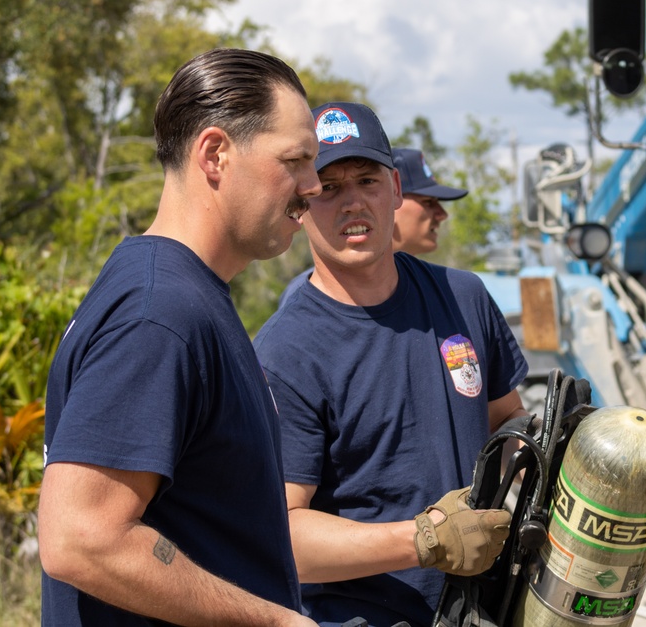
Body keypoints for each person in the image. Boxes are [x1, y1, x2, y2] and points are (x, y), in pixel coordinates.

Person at [38, 48, 322, 627]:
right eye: (294, 160)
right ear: (215, 154)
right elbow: (81, 537)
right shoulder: (159, 314)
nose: (313, 186)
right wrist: (279, 622)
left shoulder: (181, 297)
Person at [253, 101, 528, 627]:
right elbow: (278, 535)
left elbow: (506, 424)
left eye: (367, 180)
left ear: (396, 190)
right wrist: (423, 540)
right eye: (328, 188)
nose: (353, 202)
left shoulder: (463, 296)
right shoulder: (285, 351)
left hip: (484, 611)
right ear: (300, 204)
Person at [279, 146, 466, 304]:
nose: (442, 214)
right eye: (428, 202)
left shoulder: (450, 289)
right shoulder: (308, 295)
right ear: (394, 194)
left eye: (366, 182)